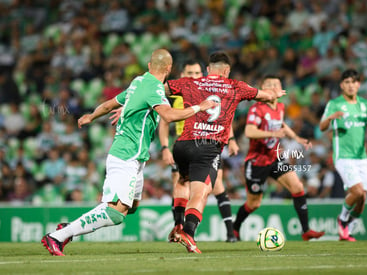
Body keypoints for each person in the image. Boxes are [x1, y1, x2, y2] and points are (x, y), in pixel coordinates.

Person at [40, 49, 217, 256]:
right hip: (126, 154)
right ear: (169, 69)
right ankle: (58, 236)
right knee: (116, 213)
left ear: (150, 65)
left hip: (136, 156)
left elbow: (109, 105)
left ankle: (69, 229)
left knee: (131, 206)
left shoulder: (138, 82)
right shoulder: (154, 89)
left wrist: (91, 116)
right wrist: (200, 107)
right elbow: (168, 115)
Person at [165, 52, 285, 253]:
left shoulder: (190, 83)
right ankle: (188, 231)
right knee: (201, 192)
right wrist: (274, 94)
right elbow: (264, 96)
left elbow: (161, 89)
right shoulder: (235, 86)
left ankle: (178, 223)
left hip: (182, 145)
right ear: (227, 70)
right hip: (207, 147)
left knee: (182, 180)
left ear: (208, 69)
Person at [232, 75, 325, 241]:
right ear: (264, 90)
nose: (274, 87)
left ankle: (306, 231)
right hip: (257, 162)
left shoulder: (281, 107)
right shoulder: (257, 109)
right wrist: (273, 133)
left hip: (275, 158)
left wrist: (296, 138)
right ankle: (235, 228)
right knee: (254, 204)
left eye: (277, 84)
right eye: (270, 85)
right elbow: (249, 132)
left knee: (297, 186)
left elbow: (281, 124)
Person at [159, 59, 238, 243]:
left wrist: (232, 140)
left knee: (217, 186)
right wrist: (164, 147)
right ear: (182, 76)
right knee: (181, 186)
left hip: (208, 145)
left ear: (202, 75)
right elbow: (164, 122)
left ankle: (230, 233)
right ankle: (180, 228)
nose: (193, 76)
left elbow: (224, 117)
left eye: (196, 73)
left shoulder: (208, 91)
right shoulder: (176, 97)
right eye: (189, 73)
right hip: (184, 146)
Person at [319, 69, 367, 241]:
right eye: (347, 82)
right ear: (341, 85)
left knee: (362, 198)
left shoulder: (365, 104)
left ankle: (348, 227)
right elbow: (322, 127)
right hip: (343, 156)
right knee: (358, 192)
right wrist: (331, 118)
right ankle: (342, 218)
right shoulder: (334, 104)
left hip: (361, 157)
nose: (351, 86)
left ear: (358, 85)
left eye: (353, 82)